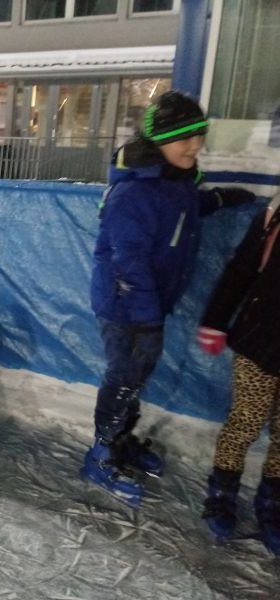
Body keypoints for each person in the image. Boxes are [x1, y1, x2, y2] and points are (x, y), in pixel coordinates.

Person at [84, 90, 256, 505]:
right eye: (184, 137)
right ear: (159, 141)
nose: (195, 145)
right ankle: (100, 454)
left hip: (147, 306)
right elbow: (128, 261)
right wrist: (146, 317)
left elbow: (184, 208)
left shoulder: (173, 181)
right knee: (124, 378)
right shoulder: (135, 192)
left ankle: (121, 440)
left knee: (135, 377)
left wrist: (221, 199)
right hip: (126, 306)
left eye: (199, 135)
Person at [199, 194, 280, 556]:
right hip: (259, 341)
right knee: (245, 420)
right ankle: (223, 489)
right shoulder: (274, 214)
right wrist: (215, 320)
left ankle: (272, 498)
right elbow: (241, 270)